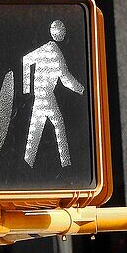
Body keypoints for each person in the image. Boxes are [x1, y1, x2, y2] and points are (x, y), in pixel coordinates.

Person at [22, 20, 84, 167]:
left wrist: (27, 88)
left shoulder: (44, 49)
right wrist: (81, 89)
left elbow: (26, 60)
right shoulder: (56, 54)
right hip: (46, 97)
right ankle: (66, 163)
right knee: (58, 125)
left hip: (40, 97)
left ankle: (28, 162)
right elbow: (65, 79)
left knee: (36, 130)